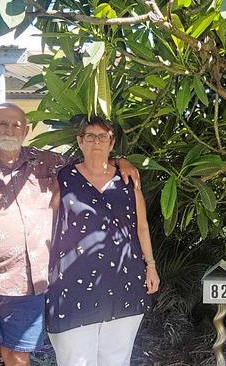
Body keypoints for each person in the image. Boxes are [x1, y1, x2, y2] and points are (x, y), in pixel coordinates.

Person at [0, 103, 140, 366]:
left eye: (17, 125)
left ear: (26, 130)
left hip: (28, 282)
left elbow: (91, 160)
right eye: (3, 123)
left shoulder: (44, 162)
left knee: (18, 357)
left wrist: (120, 162)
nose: (10, 129)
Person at [46, 115, 160, 366]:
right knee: (74, 358)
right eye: (90, 136)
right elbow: (48, 225)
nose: (96, 142)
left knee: (116, 358)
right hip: (71, 282)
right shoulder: (62, 178)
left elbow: (141, 227)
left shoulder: (128, 181)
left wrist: (150, 265)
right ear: (80, 141)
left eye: (103, 136)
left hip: (124, 281)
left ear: (111, 142)